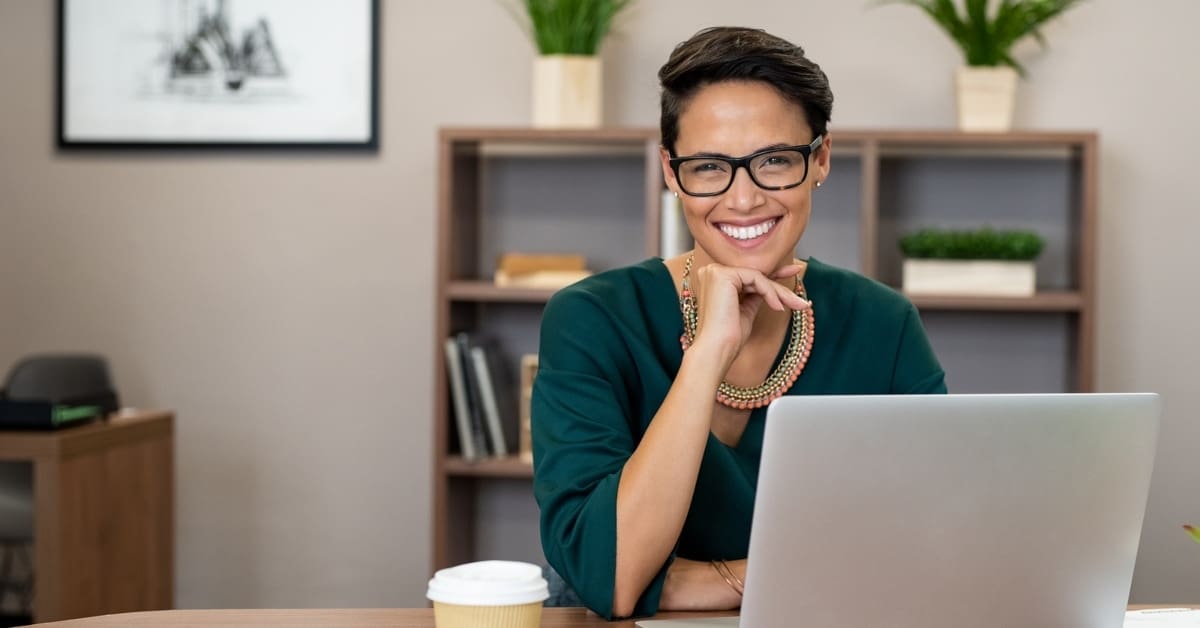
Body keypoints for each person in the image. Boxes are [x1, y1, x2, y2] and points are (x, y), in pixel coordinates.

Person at [531, 26, 947, 620]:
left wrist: (691, 583)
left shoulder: (884, 323)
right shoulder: (590, 318)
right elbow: (615, 577)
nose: (745, 198)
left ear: (820, 160)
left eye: (774, 161)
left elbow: (929, 545)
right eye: (708, 167)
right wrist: (708, 352)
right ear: (672, 174)